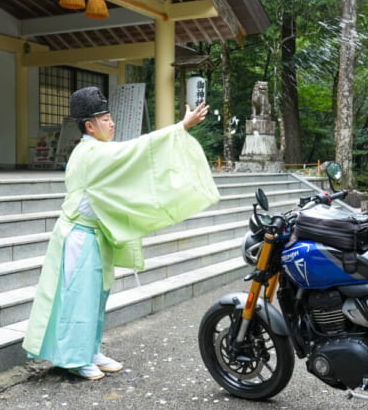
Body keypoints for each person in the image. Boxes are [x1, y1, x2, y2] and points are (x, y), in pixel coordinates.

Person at [22, 86, 220, 380]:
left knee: (96, 297)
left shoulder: (96, 150)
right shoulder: (90, 153)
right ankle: (75, 358)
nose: (112, 123)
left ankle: (90, 350)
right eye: (105, 118)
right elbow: (137, 150)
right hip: (79, 235)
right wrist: (180, 127)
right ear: (90, 126)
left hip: (94, 234)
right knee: (79, 297)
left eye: (111, 117)